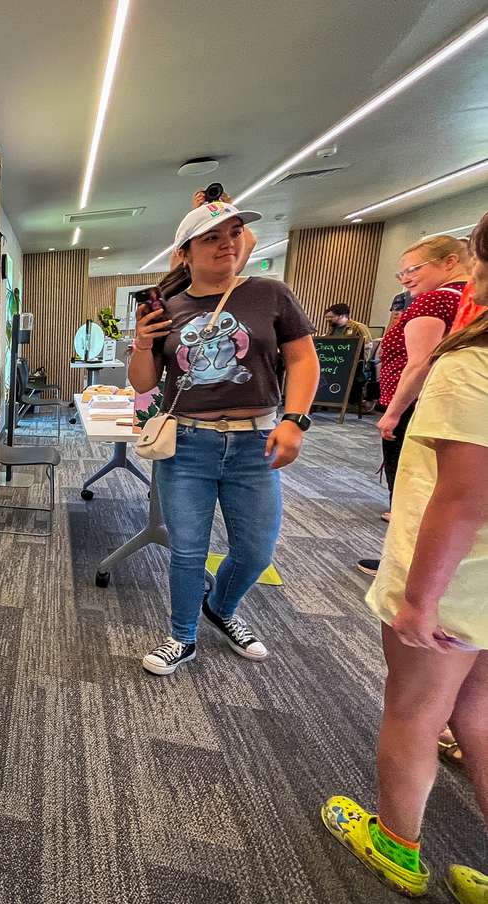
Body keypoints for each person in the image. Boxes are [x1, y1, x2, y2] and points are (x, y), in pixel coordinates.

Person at [322, 211, 488, 904]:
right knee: (477, 712)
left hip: (457, 575)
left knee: (416, 707)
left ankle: (395, 843)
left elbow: (464, 497)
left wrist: (420, 598)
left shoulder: (471, 362)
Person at [130, 201, 319, 675]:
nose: (227, 243)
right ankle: (182, 636)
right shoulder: (168, 308)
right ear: (186, 252)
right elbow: (142, 383)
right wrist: (141, 341)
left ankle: (222, 607)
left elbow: (301, 360)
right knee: (188, 549)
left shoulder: (269, 295)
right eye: (211, 237)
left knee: (256, 548)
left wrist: (295, 419)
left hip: (255, 442)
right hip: (188, 443)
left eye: (233, 232)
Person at [358, 236, 470, 576]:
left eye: (413, 269)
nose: (406, 278)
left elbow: (420, 363)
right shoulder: (467, 301)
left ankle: (405, 564)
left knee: (412, 487)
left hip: (418, 408)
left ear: (450, 262)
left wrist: (392, 411)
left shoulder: (434, 301)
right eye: (401, 273)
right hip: (450, 408)